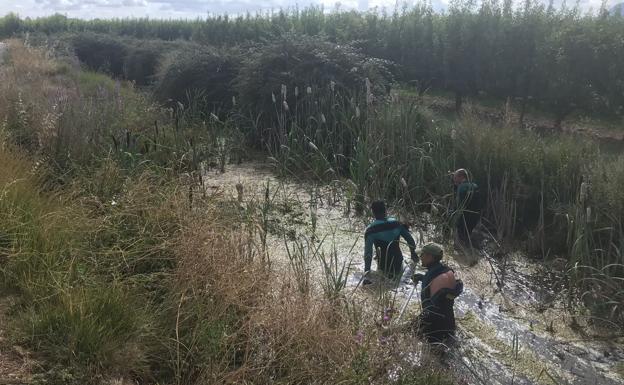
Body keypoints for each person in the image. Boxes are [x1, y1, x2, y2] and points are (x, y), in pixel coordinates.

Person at [412, 243, 463, 344]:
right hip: (449, 324)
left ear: (430, 257)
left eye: (422, 254)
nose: (420, 257)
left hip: (433, 328)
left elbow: (427, 307)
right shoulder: (448, 271)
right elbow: (440, 288)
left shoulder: (429, 277)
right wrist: (422, 278)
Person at [363, 201, 418, 283]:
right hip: (398, 262)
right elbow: (410, 240)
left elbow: (368, 253)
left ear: (373, 212)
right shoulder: (396, 224)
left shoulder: (370, 230)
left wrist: (366, 273)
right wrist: (413, 254)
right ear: (385, 211)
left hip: (383, 266)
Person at [452, 168, 481, 247]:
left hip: (463, 219)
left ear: (461, 177)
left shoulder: (461, 187)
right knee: (469, 240)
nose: (454, 180)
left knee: (459, 244)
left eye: (455, 177)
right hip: (475, 219)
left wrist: (453, 217)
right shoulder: (475, 186)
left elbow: (458, 206)